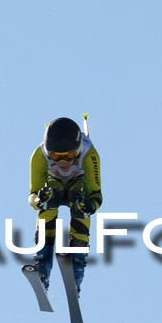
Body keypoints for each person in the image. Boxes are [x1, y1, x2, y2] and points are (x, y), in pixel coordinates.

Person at [29, 115, 102, 293]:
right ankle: (42, 265)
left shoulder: (89, 153)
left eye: (69, 155)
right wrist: (40, 201)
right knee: (48, 204)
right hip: (54, 186)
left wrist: (89, 206)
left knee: (80, 206)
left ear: (77, 149)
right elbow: (32, 196)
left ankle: (77, 265)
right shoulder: (39, 155)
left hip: (78, 186)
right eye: (55, 156)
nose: (63, 162)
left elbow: (96, 195)